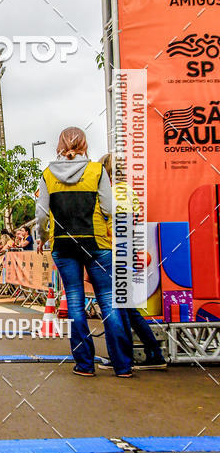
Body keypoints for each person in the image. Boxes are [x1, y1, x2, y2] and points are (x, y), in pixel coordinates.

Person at [35, 127, 134, 377]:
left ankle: (84, 364)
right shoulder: (97, 170)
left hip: (63, 245)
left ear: (60, 145)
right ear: (84, 145)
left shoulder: (48, 174)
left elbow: (42, 215)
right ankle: (122, 365)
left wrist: (42, 237)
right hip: (96, 242)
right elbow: (110, 208)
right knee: (108, 301)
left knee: (75, 303)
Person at [99, 154, 167, 370]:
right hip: (127, 252)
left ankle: (125, 357)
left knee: (120, 308)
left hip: (115, 253)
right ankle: (152, 353)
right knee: (127, 307)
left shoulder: (110, 194)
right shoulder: (128, 191)